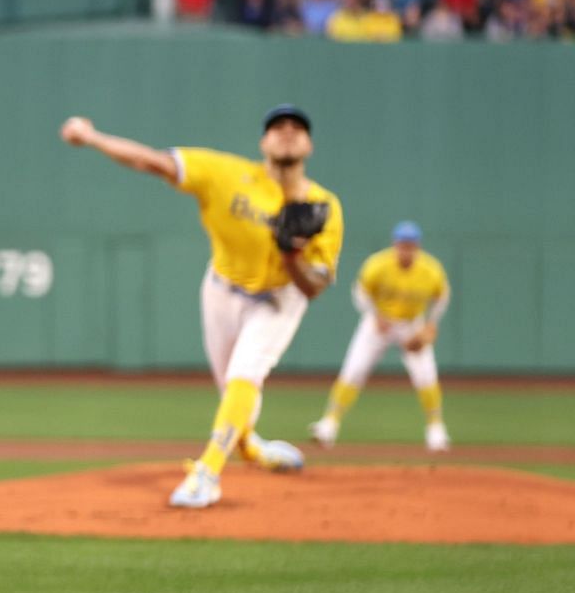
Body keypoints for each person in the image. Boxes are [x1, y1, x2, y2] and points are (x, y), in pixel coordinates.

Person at [59, 106, 343, 508]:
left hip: (280, 297)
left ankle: (207, 472)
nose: (287, 133)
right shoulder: (227, 174)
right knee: (231, 389)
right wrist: (92, 138)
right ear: (263, 142)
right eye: (278, 127)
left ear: (309, 145)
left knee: (246, 375)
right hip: (222, 290)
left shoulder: (324, 205)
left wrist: (291, 256)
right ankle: (251, 448)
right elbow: (151, 162)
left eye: (297, 128)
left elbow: (314, 288)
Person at [310, 222, 451, 453]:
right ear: (395, 244)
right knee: (354, 369)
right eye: (402, 244)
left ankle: (436, 430)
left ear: (417, 246)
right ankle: (329, 424)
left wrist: (431, 324)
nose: (406, 249)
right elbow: (360, 291)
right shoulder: (378, 264)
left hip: (411, 324)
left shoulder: (431, 269)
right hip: (378, 323)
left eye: (410, 244)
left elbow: (442, 296)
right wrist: (374, 314)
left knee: (426, 375)